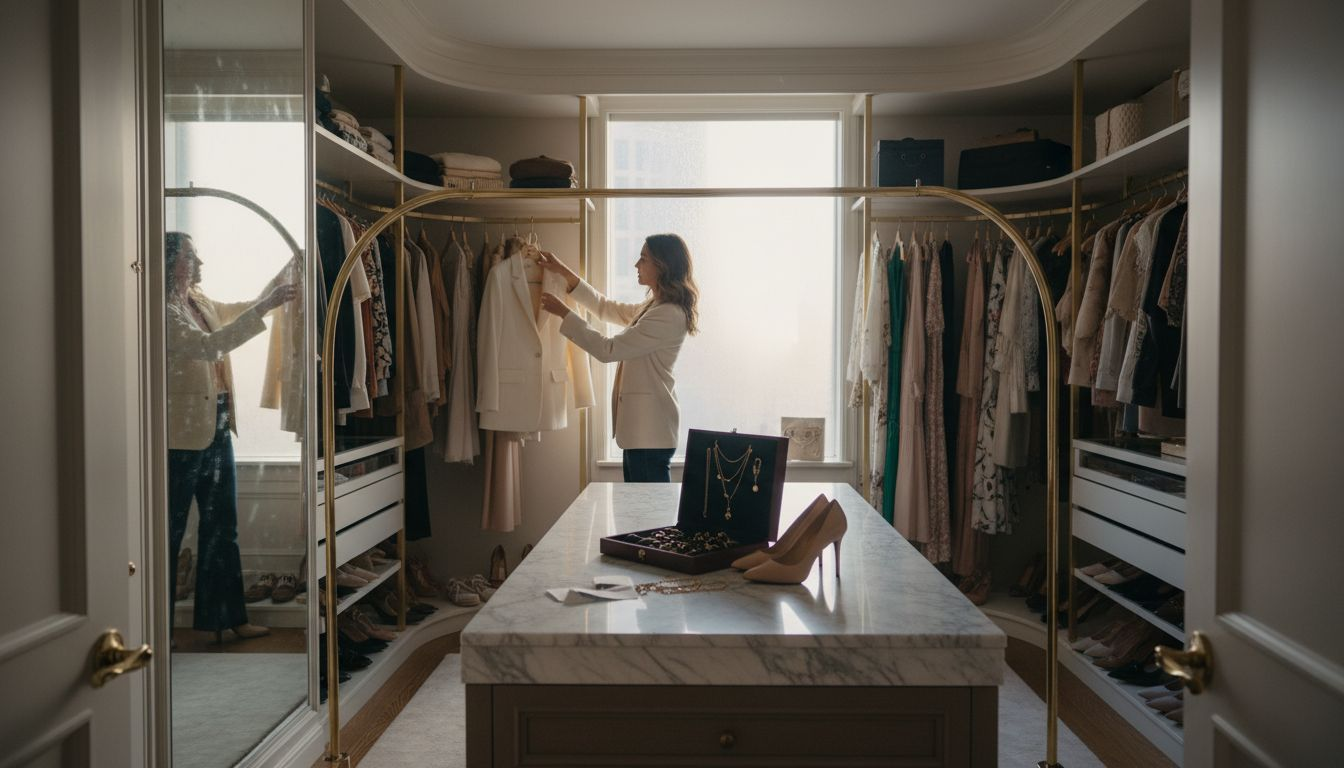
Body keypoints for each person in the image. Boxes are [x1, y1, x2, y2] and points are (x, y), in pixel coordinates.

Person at [165, 231, 298, 642]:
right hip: (179, 435)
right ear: (170, 262)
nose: (200, 264)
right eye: (192, 257)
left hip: (217, 423)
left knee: (223, 525)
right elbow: (209, 346)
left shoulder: (197, 301)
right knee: (167, 532)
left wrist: (280, 283)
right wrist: (266, 304)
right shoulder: (158, 310)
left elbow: (237, 312)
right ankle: (157, 627)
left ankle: (227, 619)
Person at [538, 233, 698, 482]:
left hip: (649, 434)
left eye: (643, 258)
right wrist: (565, 273)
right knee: (640, 507)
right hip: (643, 434)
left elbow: (608, 350)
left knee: (646, 507)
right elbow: (606, 308)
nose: (636, 264)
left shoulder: (667, 314)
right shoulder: (655, 306)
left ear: (662, 265)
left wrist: (565, 313)